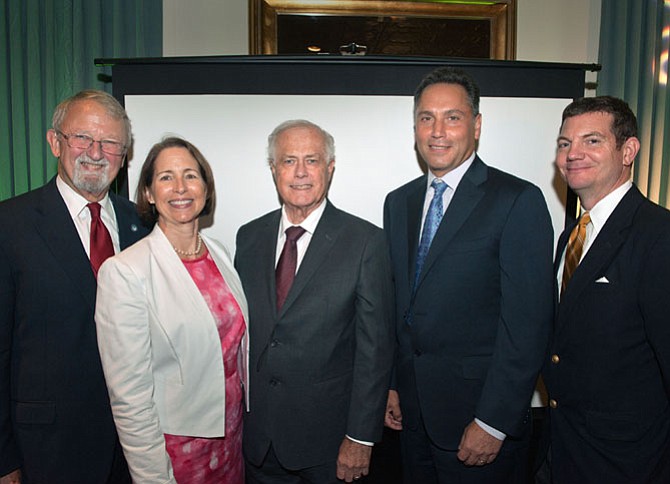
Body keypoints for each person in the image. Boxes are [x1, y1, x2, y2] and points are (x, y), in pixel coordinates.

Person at [383, 66, 554, 483]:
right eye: (426, 118)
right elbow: (399, 305)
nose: (437, 131)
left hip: (479, 426)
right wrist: (392, 384)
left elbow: (528, 326)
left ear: (476, 126)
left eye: (452, 117)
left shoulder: (518, 200)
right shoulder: (398, 202)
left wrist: (493, 421)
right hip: (413, 418)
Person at [0, 90, 149, 483]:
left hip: (132, 449)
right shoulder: (9, 226)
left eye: (110, 143)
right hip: (44, 451)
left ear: (125, 154)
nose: (96, 153)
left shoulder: (145, 227)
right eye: (82, 137)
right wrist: (3, 460)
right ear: (55, 141)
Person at [235, 119, 395, 483]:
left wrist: (360, 438)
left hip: (330, 446)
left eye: (313, 160)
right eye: (289, 161)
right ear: (274, 169)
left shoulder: (365, 242)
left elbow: (375, 351)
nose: (301, 173)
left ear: (330, 168)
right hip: (259, 442)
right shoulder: (249, 237)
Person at [94, 137, 249, 483]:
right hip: (175, 452)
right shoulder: (125, 271)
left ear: (206, 189)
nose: (180, 187)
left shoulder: (220, 254)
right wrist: (152, 477)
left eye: (191, 175)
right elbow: (129, 398)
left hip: (231, 441)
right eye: (165, 177)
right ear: (148, 193)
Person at [540, 96, 670, 483]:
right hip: (564, 452)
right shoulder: (571, 237)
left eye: (591, 141)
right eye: (565, 143)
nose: (573, 153)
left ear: (628, 150)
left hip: (630, 463)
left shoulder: (658, 236)